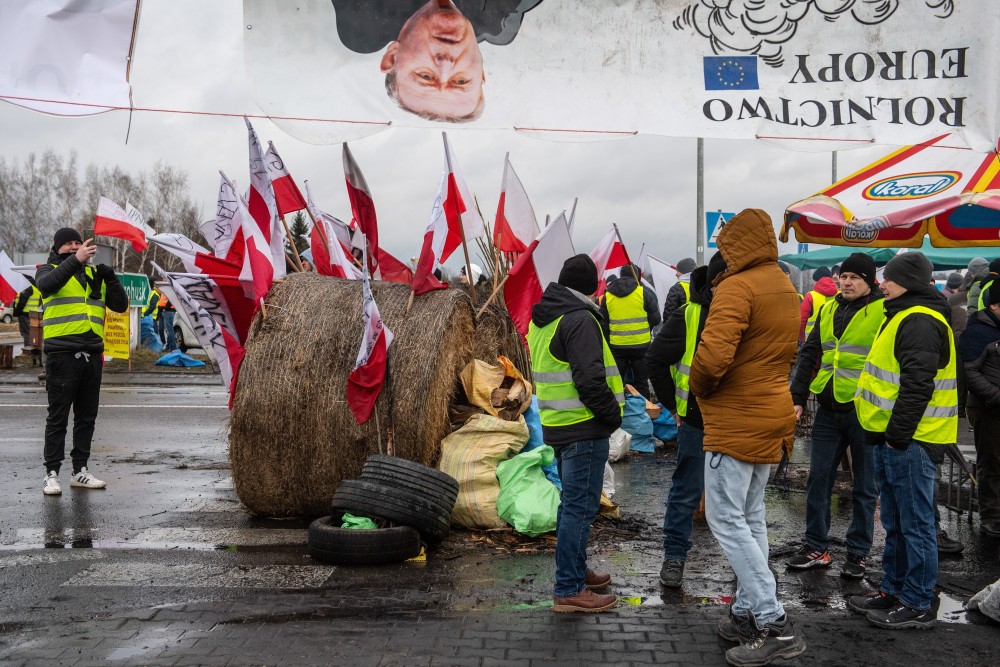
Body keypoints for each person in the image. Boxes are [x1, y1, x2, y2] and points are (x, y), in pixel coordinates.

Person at [688, 209, 805, 666]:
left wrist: (699, 387)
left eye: (726, 243)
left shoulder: (737, 286)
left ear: (739, 244)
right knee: (751, 517)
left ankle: (775, 622)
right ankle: (744, 612)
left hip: (736, 420)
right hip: (771, 415)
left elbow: (713, 356)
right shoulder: (784, 283)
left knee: (726, 522)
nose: (722, 250)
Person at [849, 251, 958, 630]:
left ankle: (917, 600)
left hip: (911, 440)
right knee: (896, 522)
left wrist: (896, 435)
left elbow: (918, 384)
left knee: (915, 524)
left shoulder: (919, 320)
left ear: (908, 281)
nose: (882, 283)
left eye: (889, 278)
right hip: (895, 438)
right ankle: (893, 590)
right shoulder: (901, 314)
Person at [526, 254, 624, 613]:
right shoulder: (579, 318)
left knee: (573, 506)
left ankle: (576, 572)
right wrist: (612, 416)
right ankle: (568, 588)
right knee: (579, 511)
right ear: (592, 286)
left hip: (560, 426)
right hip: (584, 427)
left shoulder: (544, 318)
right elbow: (589, 380)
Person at [787, 253, 882, 578]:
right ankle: (816, 547)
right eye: (844, 276)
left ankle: (857, 554)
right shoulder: (828, 309)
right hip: (828, 407)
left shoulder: (882, 312)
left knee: (865, 486)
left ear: (869, 281)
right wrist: (798, 395)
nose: (847, 282)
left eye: (855, 277)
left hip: (864, 409)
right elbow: (811, 351)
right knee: (818, 478)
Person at [645, 256, 721, 587]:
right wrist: (673, 406)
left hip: (739, 421)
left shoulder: (751, 315)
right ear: (714, 283)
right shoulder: (690, 314)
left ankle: (749, 566)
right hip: (697, 420)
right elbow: (655, 360)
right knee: (687, 489)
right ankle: (675, 557)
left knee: (742, 498)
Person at [35, 228, 128, 496]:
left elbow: (119, 306)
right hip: (62, 356)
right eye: (69, 244)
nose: (76, 247)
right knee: (58, 417)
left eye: (78, 243)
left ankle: (80, 471)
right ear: (58, 248)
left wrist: (111, 281)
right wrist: (75, 259)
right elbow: (46, 286)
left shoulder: (91, 275)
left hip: (91, 355)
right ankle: (51, 473)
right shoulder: (47, 270)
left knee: (86, 417)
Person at [379, 0, 489, 122]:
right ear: (481, 72)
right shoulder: (501, 23)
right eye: (461, 81)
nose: (445, 64)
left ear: (392, 57)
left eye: (425, 76)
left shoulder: (366, 15)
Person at [957, 284, 1000, 537]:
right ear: (994, 305)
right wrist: (995, 396)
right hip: (987, 408)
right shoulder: (977, 332)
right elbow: (969, 371)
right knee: (992, 461)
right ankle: (991, 517)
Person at [600, 263, 660, 398]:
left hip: (617, 346)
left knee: (617, 382)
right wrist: (645, 327)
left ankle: (620, 411)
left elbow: (603, 323)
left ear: (621, 276)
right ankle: (644, 411)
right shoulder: (643, 292)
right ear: (636, 276)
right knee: (642, 382)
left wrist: (610, 341)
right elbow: (656, 318)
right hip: (641, 345)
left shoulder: (607, 295)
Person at [799, 266, 839, 343]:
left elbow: (802, 320)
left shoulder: (810, 296)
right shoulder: (841, 295)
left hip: (812, 341)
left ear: (817, 281)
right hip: (834, 342)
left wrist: (802, 338)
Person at [661, 257, 697, 323]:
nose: (676, 274)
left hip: (680, 331)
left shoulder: (676, 289)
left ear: (683, 271)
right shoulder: (702, 287)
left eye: (677, 271)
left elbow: (668, 315)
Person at [13, 282, 42, 349]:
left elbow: (22, 300)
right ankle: (33, 350)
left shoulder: (27, 286)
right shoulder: (35, 286)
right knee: (32, 333)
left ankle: (28, 351)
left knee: (26, 333)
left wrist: (17, 312)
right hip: (33, 313)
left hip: (25, 313)